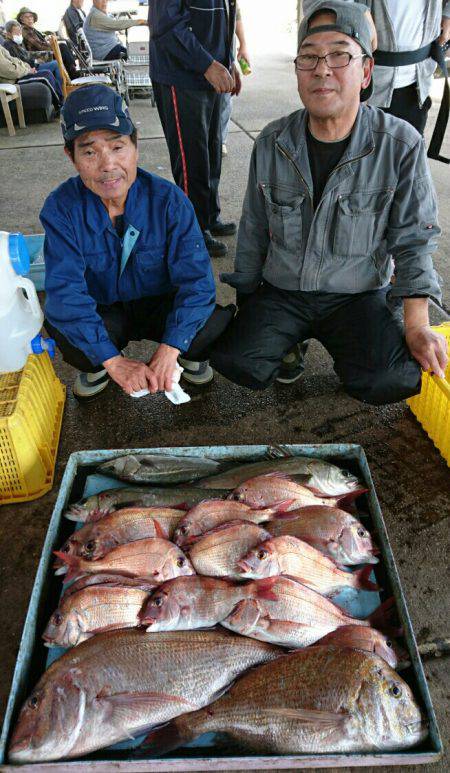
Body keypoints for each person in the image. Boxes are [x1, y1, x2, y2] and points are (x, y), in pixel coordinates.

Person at [209, 0, 448, 406]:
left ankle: (352, 346)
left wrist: (416, 324)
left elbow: (414, 241)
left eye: (340, 54)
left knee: (392, 379)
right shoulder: (271, 142)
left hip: (358, 294)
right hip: (285, 290)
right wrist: (249, 305)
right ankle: (289, 340)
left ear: (366, 71)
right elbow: (252, 230)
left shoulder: (401, 144)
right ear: (298, 72)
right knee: (237, 360)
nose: (322, 69)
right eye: (309, 57)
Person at [40, 84, 234, 401]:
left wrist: (171, 347)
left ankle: (182, 354)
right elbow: (65, 293)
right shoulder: (60, 209)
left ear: (135, 147)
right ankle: (101, 362)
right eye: (89, 152)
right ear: (71, 157)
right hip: (105, 309)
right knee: (67, 330)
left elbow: (197, 282)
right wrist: (114, 361)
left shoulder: (169, 200)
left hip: (159, 304)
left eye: (118, 147)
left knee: (208, 324)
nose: (107, 165)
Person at [149, 0, 240, 258]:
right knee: (191, 157)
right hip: (182, 76)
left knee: (211, 151)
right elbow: (165, 27)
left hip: (210, 73)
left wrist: (228, 61)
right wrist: (207, 64)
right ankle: (194, 229)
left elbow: (225, 18)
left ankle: (208, 216)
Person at [303, 1, 450, 155]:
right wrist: (355, 11)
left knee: (405, 163)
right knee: (352, 164)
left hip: (417, 84)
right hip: (357, 87)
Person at [221, 2, 251, 156]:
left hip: (226, 46)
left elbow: (235, 14)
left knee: (226, 95)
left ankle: (220, 141)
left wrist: (243, 45)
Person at [16, 6, 78, 79]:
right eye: (27, 17)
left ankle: (72, 71)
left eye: (31, 16)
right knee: (62, 47)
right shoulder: (26, 31)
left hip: (44, 52)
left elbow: (42, 38)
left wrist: (50, 39)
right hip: (40, 56)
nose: (30, 18)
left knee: (64, 44)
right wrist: (53, 44)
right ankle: (73, 74)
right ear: (22, 20)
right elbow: (40, 46)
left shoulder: (32, 29)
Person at [2, 20, 63, 93]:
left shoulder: (15, 43)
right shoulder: (9, 45)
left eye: (20, 32)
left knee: (55, 62)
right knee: (56, 64)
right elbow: (19, 61)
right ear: (8, 34)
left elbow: (26, 55)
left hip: (29, 67)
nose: (19, 34)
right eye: (17, 32)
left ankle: (61, 90)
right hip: (27, 70)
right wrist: (35, 62)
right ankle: (62, 92)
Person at [0, 40, 62, 108]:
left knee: (47, 72)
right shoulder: (8, 44)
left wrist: (27, 68)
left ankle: (62, 100)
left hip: (20, 73)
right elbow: (8, 70)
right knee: (46, 75)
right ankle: (60, 105)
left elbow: (15, 60)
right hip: (11, 81)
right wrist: (27, 70)